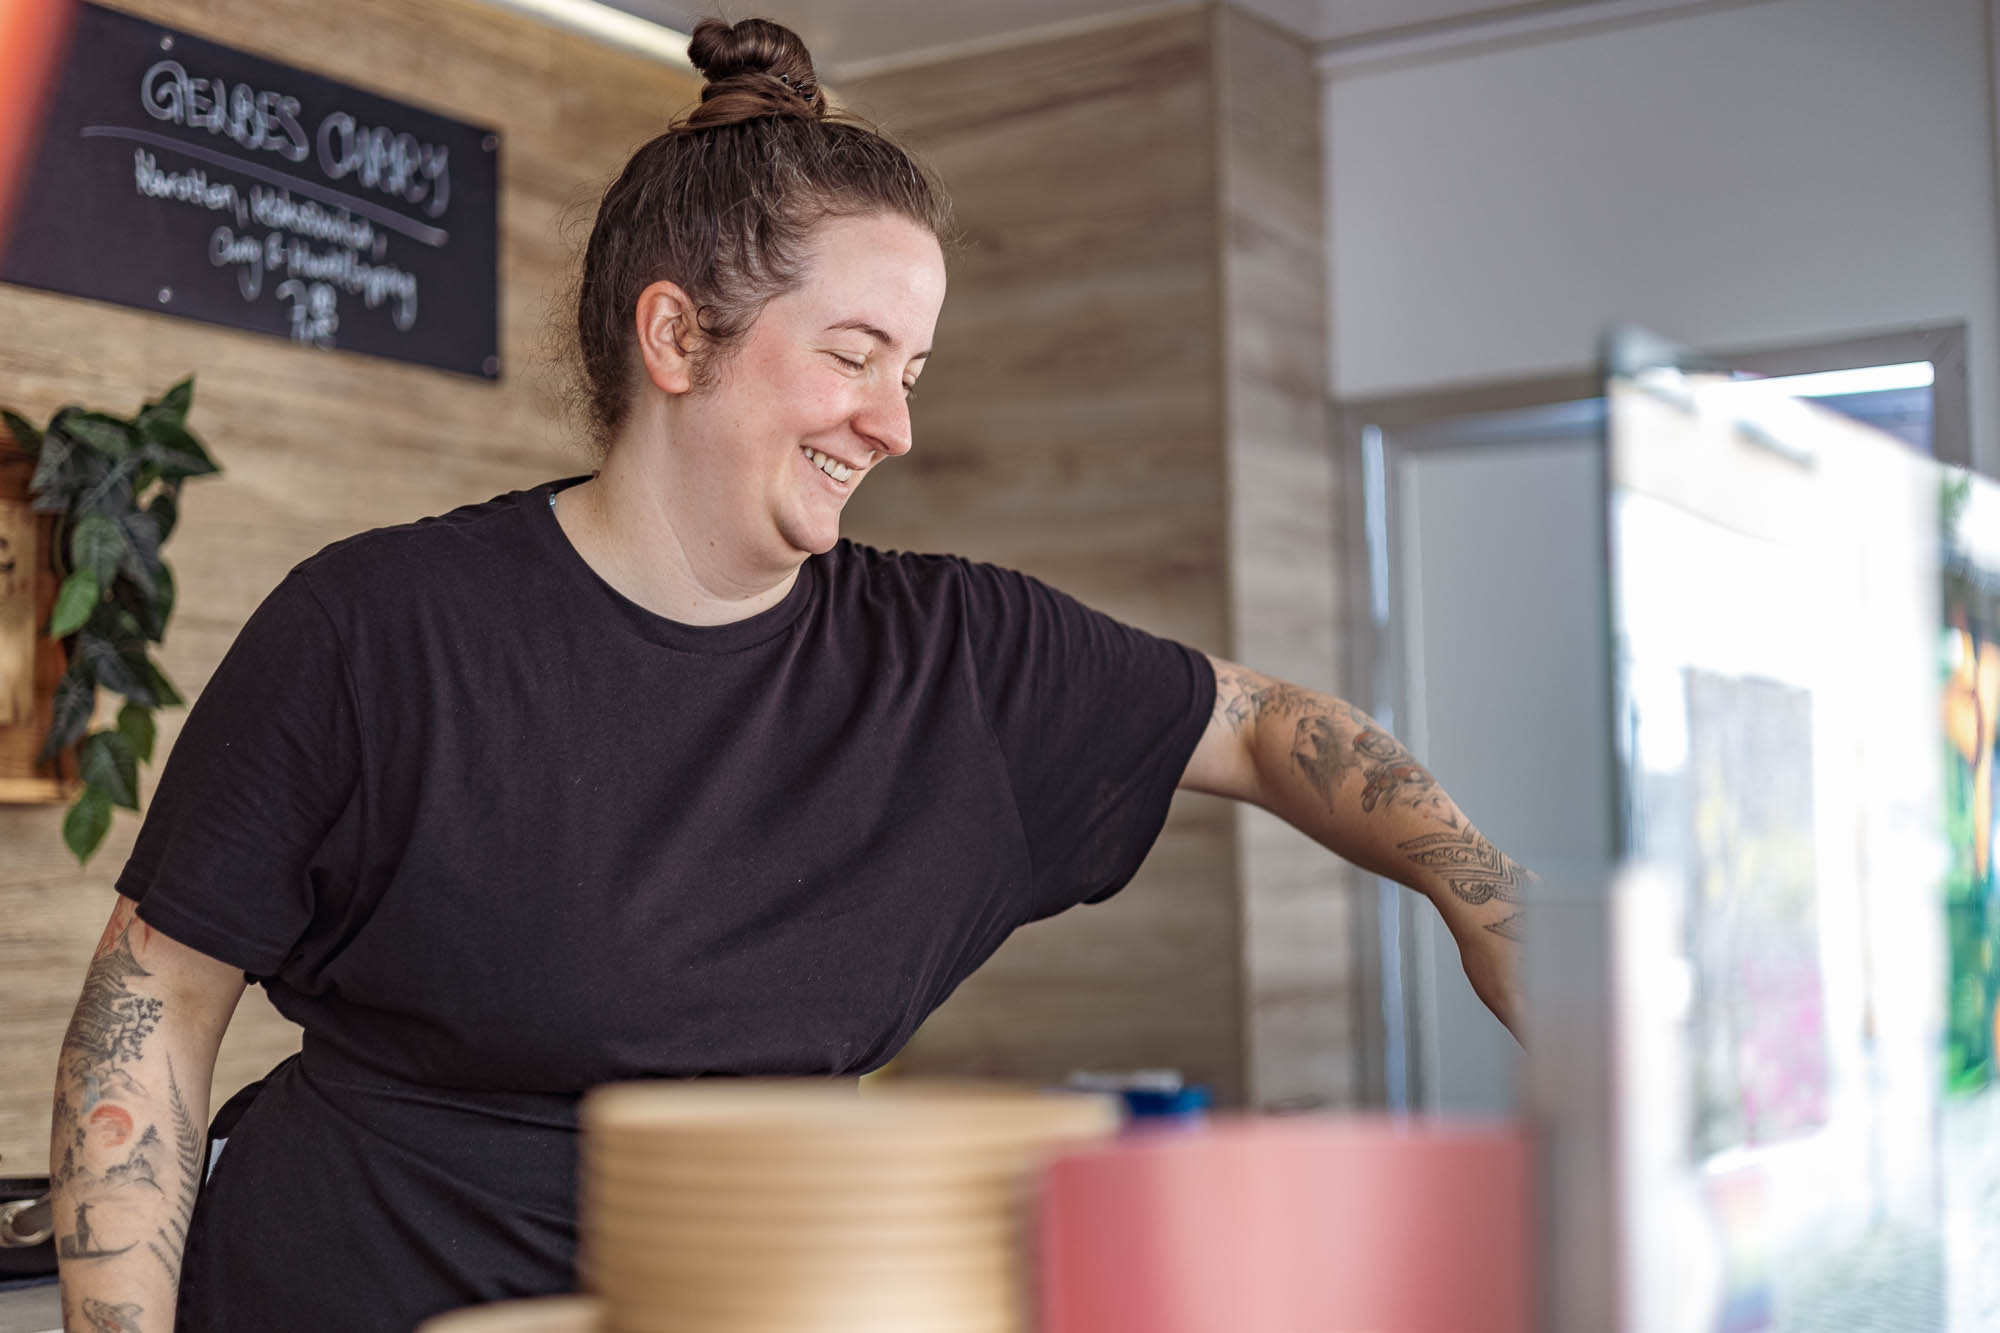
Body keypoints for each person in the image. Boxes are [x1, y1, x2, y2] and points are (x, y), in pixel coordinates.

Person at [48, 17, 1530, 1332]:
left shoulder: (959, 662)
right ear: (679, 335)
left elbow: (1270, 726)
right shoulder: (377, 629)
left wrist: (1491, 901)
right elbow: (154, 1002)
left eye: (915, 369)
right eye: (856, 355)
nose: (894, 423)